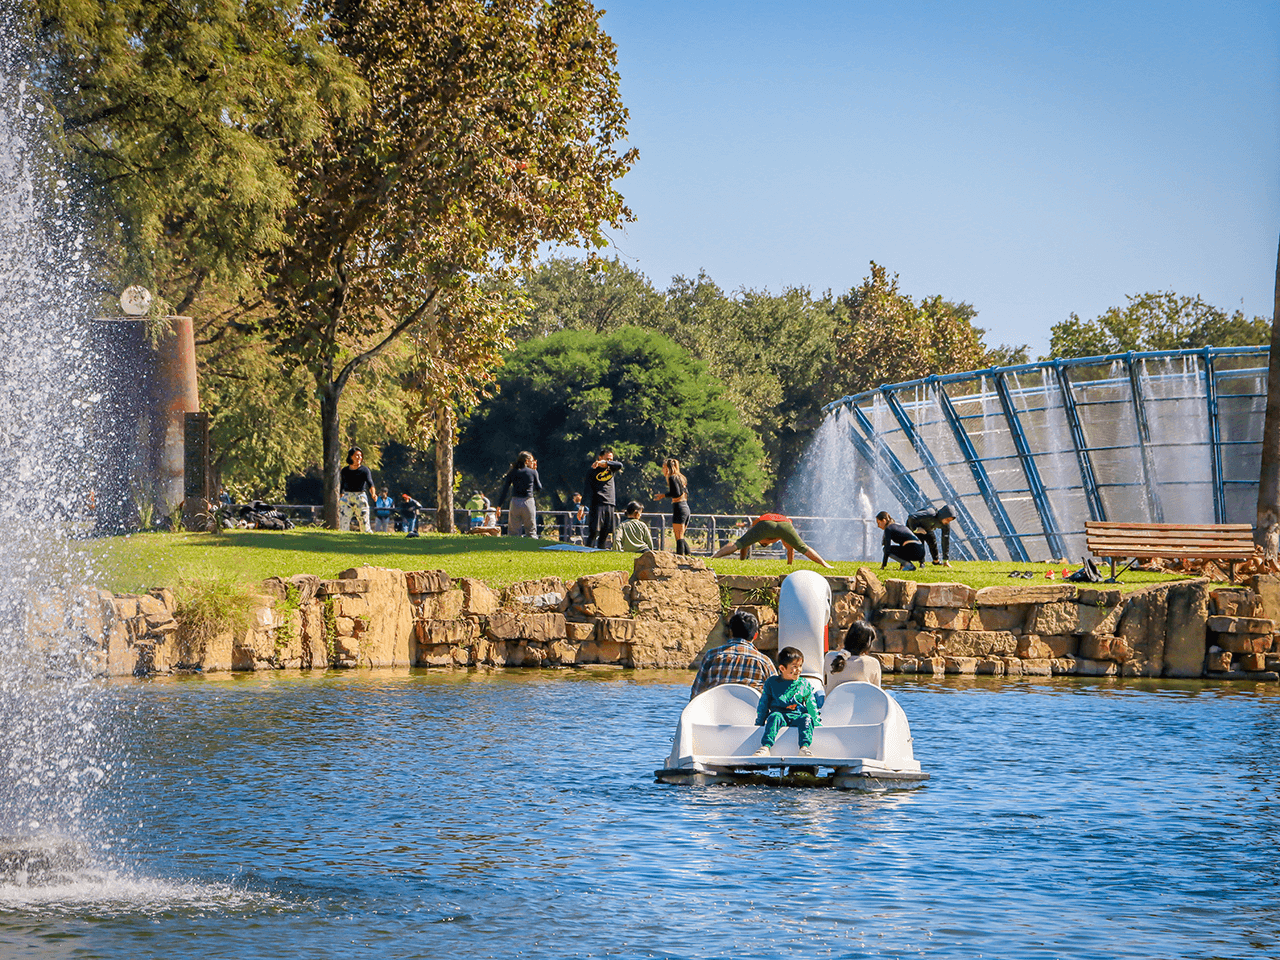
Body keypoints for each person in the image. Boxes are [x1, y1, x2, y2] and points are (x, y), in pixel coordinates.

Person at [689, 610, 777, 698]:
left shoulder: (711, 656)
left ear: (731, 631)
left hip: (717, 709)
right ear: (755, 635)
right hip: (750, 710)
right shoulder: (764, 662)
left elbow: (696, 694)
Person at [752, 647, 820, 758]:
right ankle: (766, 747)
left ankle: (804, 747)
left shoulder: (804, 684)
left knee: (806, 718)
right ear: (782, 668)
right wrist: (759, 723)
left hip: (797, 716)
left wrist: (817, 723)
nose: (799, 670)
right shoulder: (771, 683)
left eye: (800, 666)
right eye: (795, 667)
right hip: (780, 715)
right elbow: (764, 704)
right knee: (774, 716)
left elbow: (811, 705)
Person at [710, 512, 833, 568]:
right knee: (802, 546)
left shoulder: (758, 529)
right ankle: (825, 564)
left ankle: (714, 557)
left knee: (739, 543)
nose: (766, 543)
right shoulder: (781, 536)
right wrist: (789, 565)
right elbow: (790, 550)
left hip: (765, 522)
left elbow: (743, 545)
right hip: (785, 523)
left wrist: (742, 561)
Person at [824, 621, 882, 692]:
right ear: (868, 644)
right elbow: (877, 693)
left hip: (832, 702)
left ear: (847, 637)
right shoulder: (873, 663)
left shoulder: (829, 657)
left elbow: (825, 683)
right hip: (860, 703)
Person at [585, 449, 624, 549]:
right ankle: (587, 549)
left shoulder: (612, 469)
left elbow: (620, 465)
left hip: (610, 503)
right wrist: (582, 506)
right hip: (597, 503)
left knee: (606, 531)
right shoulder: (592, 471)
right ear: (600, 458)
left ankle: (600, 550)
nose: (609, 461)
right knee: (594, 531)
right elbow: (587, 490)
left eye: (611, 459)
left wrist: (607, 462)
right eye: (607, 459)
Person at [653, 457, 692, 556]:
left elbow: (676, 493)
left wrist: (663, 495)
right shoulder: (681, 478)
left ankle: (679, 557)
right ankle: (688, 556)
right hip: (685, 507)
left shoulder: (672, 477)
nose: (662, 470)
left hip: (679, 507)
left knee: (679, 537)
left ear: (668, 468)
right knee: (681, 536)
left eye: (663, 467)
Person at [498, 451, 542, 537]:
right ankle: (532, 548)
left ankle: (513, 548)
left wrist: (499, 505)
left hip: (515, 502)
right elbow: (539, 488)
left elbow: (505, 489)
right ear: (527, 461)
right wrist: (535, 471)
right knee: (531, 530)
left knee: (513, 531)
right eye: (531, 460)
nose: (533, 462)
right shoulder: (532, 472)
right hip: (528, 501)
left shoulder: (512, 472)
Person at [338, 447, 376, 532]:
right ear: (351, 456)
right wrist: (341, 497)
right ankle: (342, 538)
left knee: (364, 522)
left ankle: (367, 538)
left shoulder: (365, 470)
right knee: (343, 521)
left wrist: (373, 494)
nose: (359, 458)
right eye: (357, 455)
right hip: (347, 497)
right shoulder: (345, 470)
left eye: (360, 456)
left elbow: (370, 483)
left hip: (360, 497)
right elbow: (342, 485)